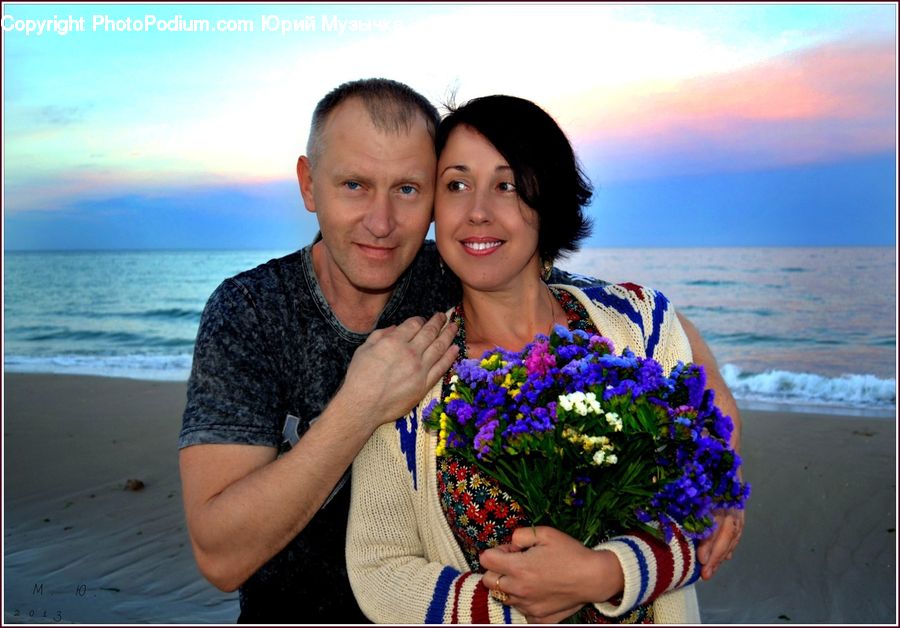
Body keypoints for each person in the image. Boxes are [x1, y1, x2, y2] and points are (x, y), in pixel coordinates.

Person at [179, 79, 743, 623]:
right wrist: (360, 406)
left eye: (407, 188)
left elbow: (634, 318)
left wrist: (719, 469)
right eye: (354, 185)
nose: (381, 223)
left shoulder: (463, 272)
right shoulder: (253, 311)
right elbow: (223, 557)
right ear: (308, 185)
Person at [345, 95, 739, 623]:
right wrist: (518, 607)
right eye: (456, 184)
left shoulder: (637, 327)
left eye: (506, 185)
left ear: (545, 200)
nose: (478, 210)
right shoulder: (409, 370)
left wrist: (607, 573)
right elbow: (379, 567)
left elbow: (709, 501)